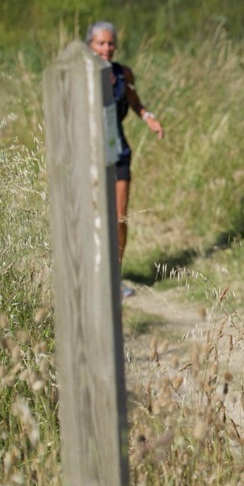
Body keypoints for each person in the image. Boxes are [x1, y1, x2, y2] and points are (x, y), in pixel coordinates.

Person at [86, 22, 164, 298]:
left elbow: (134, 101)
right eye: (101, 43)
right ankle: (91, 276)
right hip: (89, 153)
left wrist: (149, 118)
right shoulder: (81, 74)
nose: (107, 48)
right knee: (93, 215)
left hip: (117, 150)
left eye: (110, 43)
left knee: (119, 217)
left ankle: (114, 279)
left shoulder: (121, 73)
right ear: (90, 45)